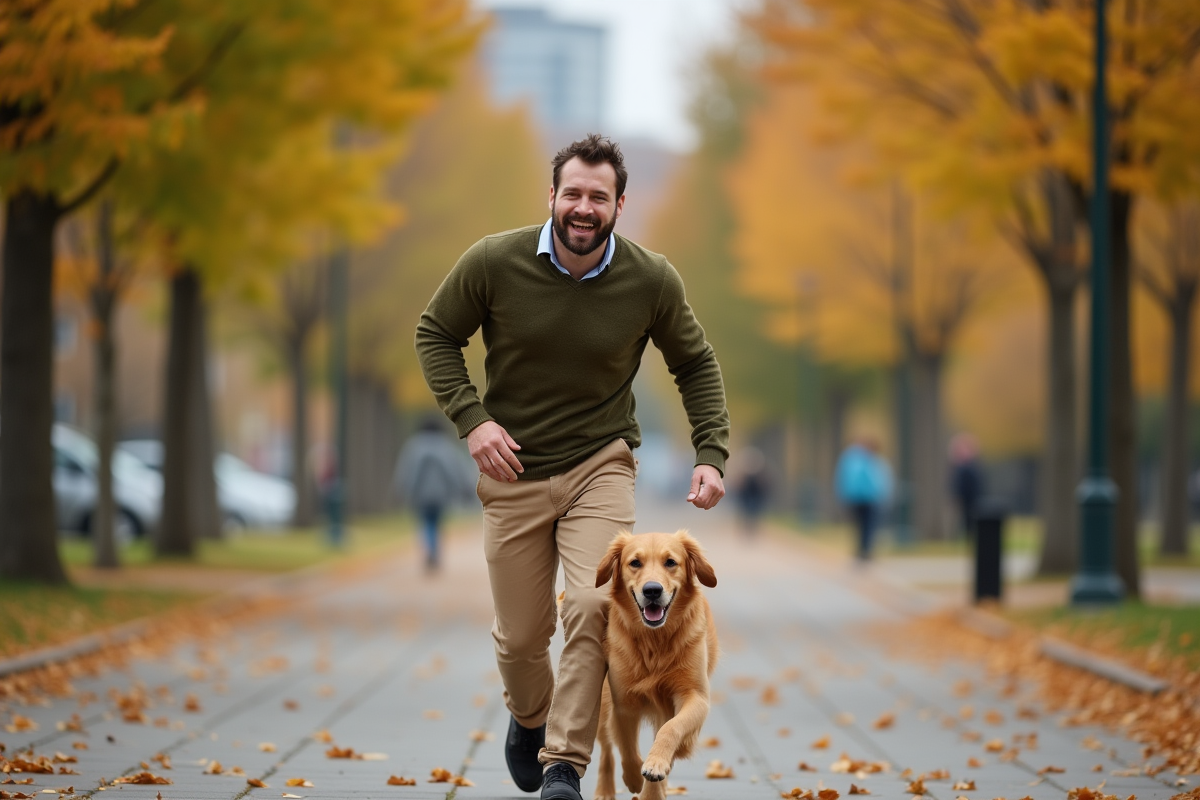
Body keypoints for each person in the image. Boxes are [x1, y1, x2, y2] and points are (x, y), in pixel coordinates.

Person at [414, 134, 730, 800]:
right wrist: (473, 421)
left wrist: (710, 453)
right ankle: (529, 716)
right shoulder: (493, 263)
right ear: (552, 197)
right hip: (513, 470)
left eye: (599, 197)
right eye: (573, 194)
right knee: (523, 637)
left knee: (592, 605)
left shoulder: (650, 279)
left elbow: (695, 363)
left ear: (620, 204)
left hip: (601, 463)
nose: (583, 208)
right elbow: (435, 333)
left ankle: (564, 765)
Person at [392, 415, 471, 571]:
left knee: (426, 522)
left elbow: (405, 471)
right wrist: (462, 489)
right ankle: (434, 551)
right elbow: (455, 471)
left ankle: (430, 550)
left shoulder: (413, 446)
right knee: (437, 522)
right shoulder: (446, 446)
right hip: (441, 495)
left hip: (420, 494)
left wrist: (401, 490)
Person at [835, 436, 892, 561]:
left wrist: (843, 495)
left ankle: (860, 549)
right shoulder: (869, 459)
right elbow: (876, 480)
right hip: (868, 498)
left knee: (859, 525)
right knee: (868, 525)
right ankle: (865, 550)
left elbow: (842, 477)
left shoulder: (848, 457)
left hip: (852, 497)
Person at [949, 432, 985, 538]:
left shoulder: (969, 468)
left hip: (971, 501)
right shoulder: (963, 467)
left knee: (970, 523)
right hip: (966, 501)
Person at [733, 446, 770, 537]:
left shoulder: (759, 473)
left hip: (755, 493)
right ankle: (748, 525)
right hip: (747, 494)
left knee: (753, 510)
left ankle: (751, 526)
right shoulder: (744, 473)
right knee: (747, 510)